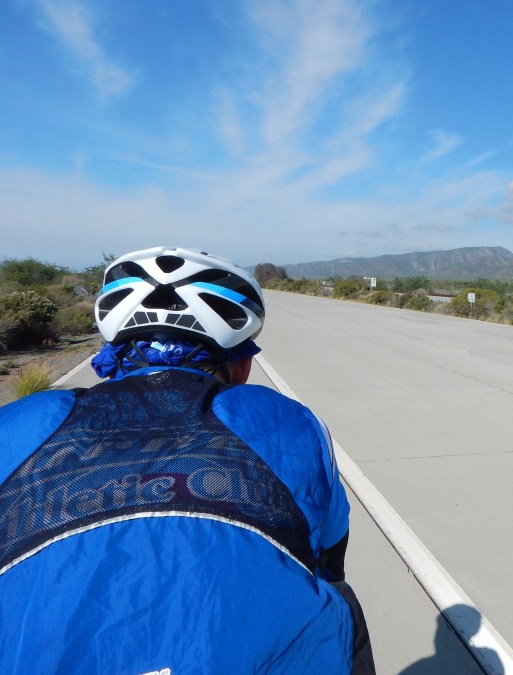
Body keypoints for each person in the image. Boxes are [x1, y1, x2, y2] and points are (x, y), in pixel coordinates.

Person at [0, 246, 375, 674]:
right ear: (241, 365)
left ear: (110, 356)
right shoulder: (286, 421)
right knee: (340, 601)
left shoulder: (20, 422)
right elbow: (327, 553)